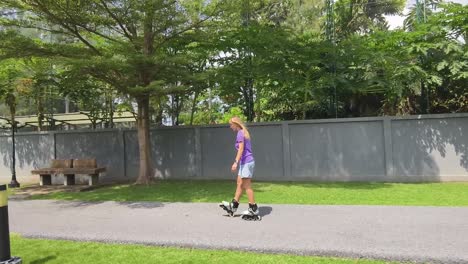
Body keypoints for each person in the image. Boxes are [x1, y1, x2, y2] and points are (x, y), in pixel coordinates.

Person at [219, 116, 261, 221]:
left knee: (247, 185)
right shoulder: (243, 132)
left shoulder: (240, 133)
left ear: (236, 124)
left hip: (246, 162)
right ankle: (234, 205)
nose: (230, 127)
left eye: (231, 124)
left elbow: (241, 149)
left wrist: (235, 162)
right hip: (245, 162)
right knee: (239, 183)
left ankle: (253, 209)